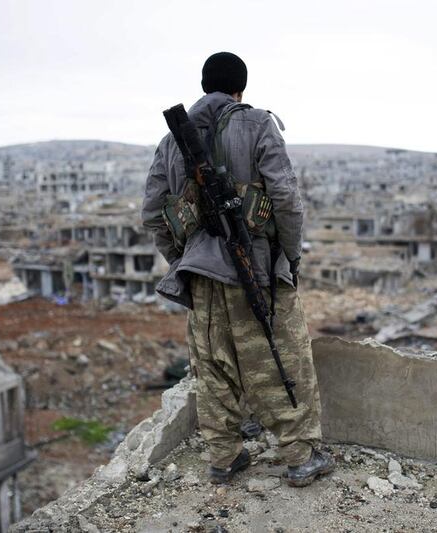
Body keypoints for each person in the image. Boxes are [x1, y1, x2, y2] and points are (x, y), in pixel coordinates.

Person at [142, 52, 333, 487]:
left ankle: (224, 457)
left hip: (201, 276)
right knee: (278, 357)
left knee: (213, 365)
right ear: (240, 89)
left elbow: (153, 214)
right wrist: (289, 257)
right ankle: (300, 455)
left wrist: (184, 258)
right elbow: (285, 199)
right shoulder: (258, 124)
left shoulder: (171, 140)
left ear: (204, 85)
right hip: (256, 270)